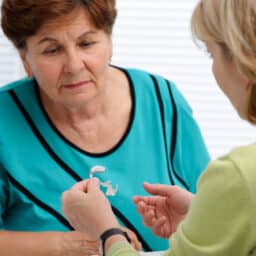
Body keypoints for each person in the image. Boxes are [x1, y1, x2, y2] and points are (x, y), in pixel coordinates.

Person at [0, 0, 209, 255]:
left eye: (86, 43)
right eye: (52, 50)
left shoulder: (161, 98)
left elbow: (213, 215)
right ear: (25, 58)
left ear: (110, 42)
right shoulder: (5, 119)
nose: (75, 66)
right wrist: (64, 245)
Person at [62, 0, 256, 255]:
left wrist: (107, 231)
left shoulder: (238, 175)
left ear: (244, 61)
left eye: (212, 54)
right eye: (52, 50)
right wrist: (205, 215)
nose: (74, 66)